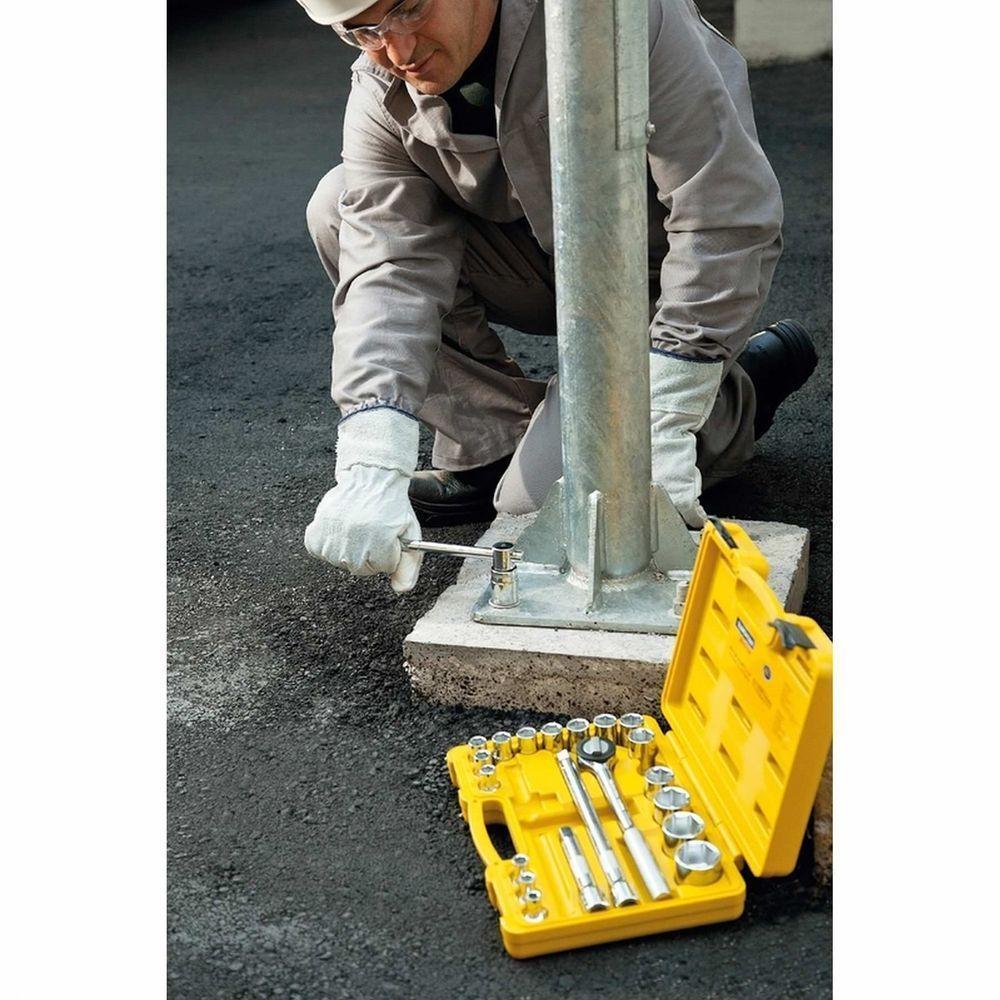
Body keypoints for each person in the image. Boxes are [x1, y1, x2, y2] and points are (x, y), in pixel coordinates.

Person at [299, 0, 817, 593]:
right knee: (339, 207)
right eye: (363, 31)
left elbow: (724, 216)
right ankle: (493, 441)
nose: (399, 50)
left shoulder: (618, 17)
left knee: (549, 504)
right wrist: (369, 458)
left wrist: (667, 412)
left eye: (410, 8)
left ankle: (734, 390)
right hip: (541, 268)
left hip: (648, 283)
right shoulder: (381, 82)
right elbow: (388, 266)